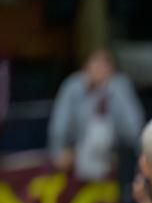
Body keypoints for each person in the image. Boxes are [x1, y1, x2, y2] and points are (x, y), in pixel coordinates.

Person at [47, 49, 146, 182]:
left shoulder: (120, 86)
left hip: (115, 158)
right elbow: (59, 125)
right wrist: (59, 151)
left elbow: (134, 130)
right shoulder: (72, 87)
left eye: (106, 63)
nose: (100, 68)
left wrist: (113, 91)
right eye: (96, 62)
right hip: (77, 155)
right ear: (86, 66)